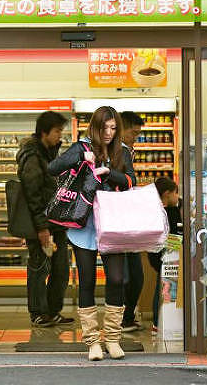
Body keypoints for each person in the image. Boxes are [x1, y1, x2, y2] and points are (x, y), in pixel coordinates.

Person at [48, 106, 135, 361]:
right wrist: (79, 159)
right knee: (86, 281)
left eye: (113, 128)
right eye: (105, 127)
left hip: (113, 223)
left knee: (117, 278)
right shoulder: (80, 147)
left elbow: (131, 181)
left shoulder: (123, 151)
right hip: (83, 222)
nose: (109, 133)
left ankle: (113, 338)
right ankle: (92, 342)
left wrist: (110, 172)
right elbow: (53, 168)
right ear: (95, 127)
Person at [16, 110, 72, 328]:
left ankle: (52, 310)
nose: (60, 135)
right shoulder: (32, 157)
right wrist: (41, 228)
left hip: (57, 222)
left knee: (60, 269)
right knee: (40, 268)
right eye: (57, 131)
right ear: (44, 132)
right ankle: (38, 313)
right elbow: (33, 195)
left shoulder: (50, 154)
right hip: (41, 225)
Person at [119, 111, 145, 332]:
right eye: (133, 133)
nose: (135, 137)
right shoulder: (120, 152)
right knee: (131, 275)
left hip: (122, 220)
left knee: (131, 274)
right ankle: (122, 318)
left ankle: (124, 317)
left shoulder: (122, 151)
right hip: (121, 222)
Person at [147, 176, 183, 335]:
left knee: (160, 285)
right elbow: (175, 235)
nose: (178, 196)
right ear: (167, 193)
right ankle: (158, 321)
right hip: (166, 254)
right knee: (163, 287)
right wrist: (175, 254)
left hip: (155, 253)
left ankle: (157, 322)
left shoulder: (153, 209)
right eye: (176, 193)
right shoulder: (171, 211)